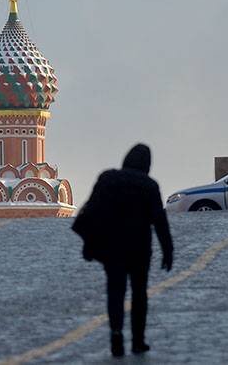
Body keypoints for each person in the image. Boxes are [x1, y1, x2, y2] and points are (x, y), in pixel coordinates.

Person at [72, 144, 173, 357]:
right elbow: (159, 221)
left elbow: (92, 211)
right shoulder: (149, 185)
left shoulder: (108, 178)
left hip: (112, 247)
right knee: (139, 294)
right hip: (139, 248)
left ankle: (116, 334)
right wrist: (168, 250)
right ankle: (138, 341)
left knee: (115, 291)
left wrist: (89, 243)